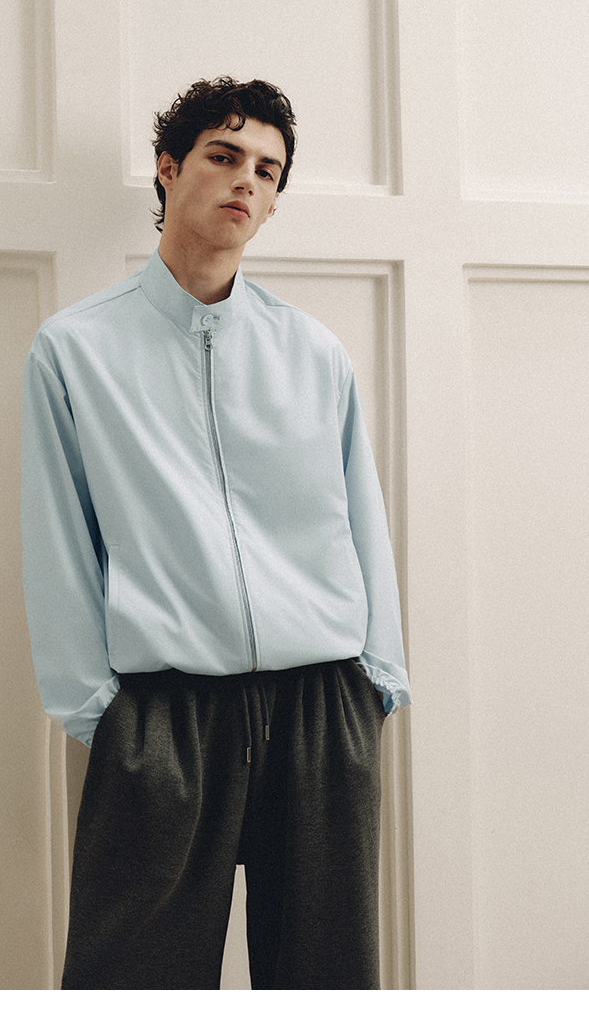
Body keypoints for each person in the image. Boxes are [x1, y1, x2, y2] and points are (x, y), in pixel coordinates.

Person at [21, 76, 411, 991]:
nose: (246, 180)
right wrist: (101, 713)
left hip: (322, 708)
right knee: (132, 985)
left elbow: (362, 519)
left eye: (267, 171)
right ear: (168, 168)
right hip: (163, 717)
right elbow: (58, 541)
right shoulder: (75, 350)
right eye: (224, 156)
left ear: (273, 201)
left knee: (324, 985)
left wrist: (377, 682)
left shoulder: (311, 352)